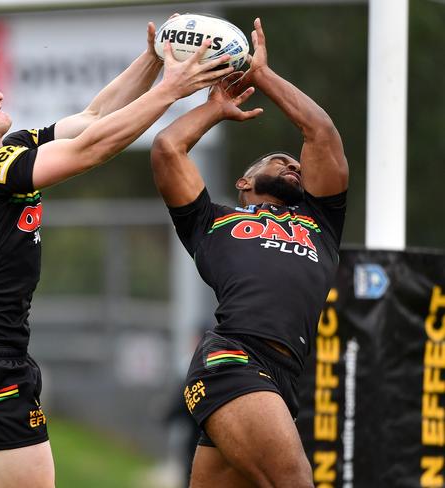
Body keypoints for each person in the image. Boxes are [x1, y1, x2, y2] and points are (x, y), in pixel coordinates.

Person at [0, 19, 234, 488]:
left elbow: (93, 116)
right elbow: (91, 149)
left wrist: (153, 58)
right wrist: (171, 90)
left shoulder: (4, 152)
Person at [150, 18, 348, 488]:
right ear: (243, 183)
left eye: (294, 162)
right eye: (277, 160)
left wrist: (261, 75)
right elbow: (167, 148)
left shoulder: (319, 222)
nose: (292, 163)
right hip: (233, 360)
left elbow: (318, 131)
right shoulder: (212, 222)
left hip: (282, 378)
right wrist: (215, 109)